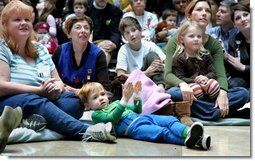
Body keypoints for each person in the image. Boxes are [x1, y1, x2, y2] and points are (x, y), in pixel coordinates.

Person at [0, 0, 116, 153]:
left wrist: (56, 88)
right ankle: (85, 131)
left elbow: (59, 82)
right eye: (17, 19)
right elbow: (2, 85)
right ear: (5, 24)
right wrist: (38, 91)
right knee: (33, 100)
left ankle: (28, 122)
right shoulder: (3, 48)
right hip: (14, 100)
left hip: (45, 99)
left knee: (75, 101)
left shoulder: (40, 49)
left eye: (27, 19)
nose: (24, 23)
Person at [164, 0, 249, 121]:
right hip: (185, 89)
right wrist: (183, 84)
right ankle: (218, 112)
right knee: (174, 93)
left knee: (243, 93)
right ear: (189, 15)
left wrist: (223, 93)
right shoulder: (176, 40)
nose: (204, 13)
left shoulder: (214, 44)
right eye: (199, 10)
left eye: (207, 11)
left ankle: (204, 110)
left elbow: (220, 75)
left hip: (208, 91)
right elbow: (167, 75)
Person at [77, 81, 211, 150]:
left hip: (142, 117)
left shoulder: (116, 103)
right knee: (160, 132)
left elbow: (137, 109)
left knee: (170, 120)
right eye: (95, 97)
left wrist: (136, 97)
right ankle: (189, 140)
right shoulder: (97, 115)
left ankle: (188, 131)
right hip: (133, 128)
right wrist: (124, 100)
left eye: (102, 94)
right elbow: (112, 119)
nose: (101, 98)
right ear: (88, 105)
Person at [52, 15, 111, 93]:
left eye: (86, 28)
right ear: (69, 33)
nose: (83, 30)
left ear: (90, 33)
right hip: (62, 95)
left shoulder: (98, 54)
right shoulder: (60, 51)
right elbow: (50, 77)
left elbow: (104, 88)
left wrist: (76, 91)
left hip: (89, 99)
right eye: (78, 27)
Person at [172, 21, 220, 100]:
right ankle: (209, 107)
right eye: (191, 36)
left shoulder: (206, 55)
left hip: (207, 86)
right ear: (182, 39)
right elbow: (179, 78)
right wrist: (196, 81)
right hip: (190, 87)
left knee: (214, 84)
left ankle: (208, 105)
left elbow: (213, 72)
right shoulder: (178, 58)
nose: (196, 39)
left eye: (199, 36)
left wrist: (205, 77)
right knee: (191, 90)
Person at [116, 16, 166, 88]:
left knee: (152, 56)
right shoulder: (123, 50)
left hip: (152, 82)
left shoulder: (150, 45)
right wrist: (145, 73)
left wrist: (161, 67)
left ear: (140, 31)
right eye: (127, 33)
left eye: (133, 30)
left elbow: (167, 63)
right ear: (124, 38)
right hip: (134, 85)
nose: (131, 34)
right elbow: (120, 76)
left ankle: (160, 89)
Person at [87, 0, 123, 65]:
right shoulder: (85, 7)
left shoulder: (115, 11)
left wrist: (113, 44)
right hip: (86, 40)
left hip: (105, 42)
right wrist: (94, 45)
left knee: (103, 54)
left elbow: (115, 32)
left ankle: (97, 75)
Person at [225, 1, 250, 91]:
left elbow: (240, 67)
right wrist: (224, 56)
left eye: (246, 14)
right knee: (231, 85)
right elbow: (233, 71)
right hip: (245, 78)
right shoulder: (234, 40)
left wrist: (243, 67)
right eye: (238, 18)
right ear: (235, 24)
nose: (243, 19)